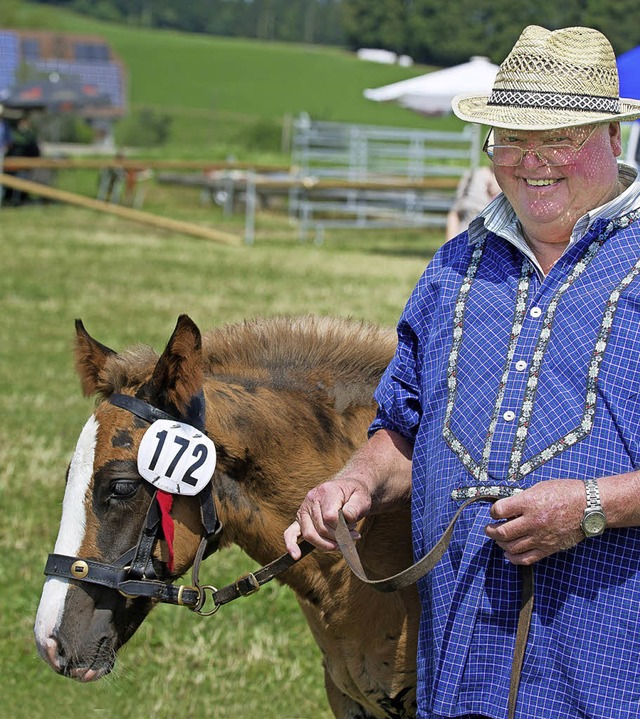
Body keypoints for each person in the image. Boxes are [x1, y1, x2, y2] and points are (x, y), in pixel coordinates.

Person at [284, 25, 640, 719]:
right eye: (511, 138)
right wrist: (353, 482)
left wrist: (591, 506)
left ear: (613, 138)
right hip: (459, 665)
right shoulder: (452, 269)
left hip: (611, 670)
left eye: (559, 137)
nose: (531, 161)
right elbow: (404, 432)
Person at [446, 165, 500, 239]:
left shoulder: (515, 184)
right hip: (463, 243)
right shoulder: (472, 176)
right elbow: (454, 213)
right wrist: (450, 244)